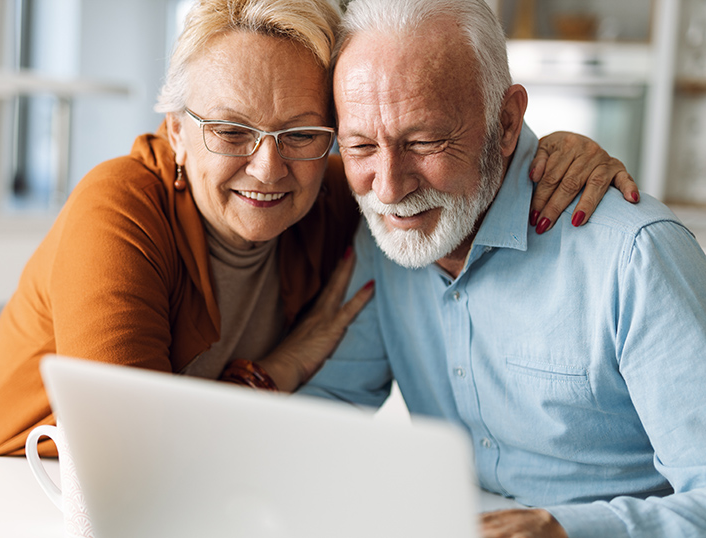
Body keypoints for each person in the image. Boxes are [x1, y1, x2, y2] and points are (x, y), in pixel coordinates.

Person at [0, 0, 635, 462]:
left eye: (301, 132)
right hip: (0, 504)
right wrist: (284, 367)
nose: (269, 168)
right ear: (175, 131)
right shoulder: (120, 207)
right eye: (231, 130)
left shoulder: (336, 199)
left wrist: (553, 149)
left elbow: (430, 166)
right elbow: (134, 461)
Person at [298, 0, 706, 537]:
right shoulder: (392, 239)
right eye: (360, 147)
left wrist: (561, 529)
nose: (390, 188)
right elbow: (321, 418)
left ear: (507, 122)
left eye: (424, 142)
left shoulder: (634, 256)